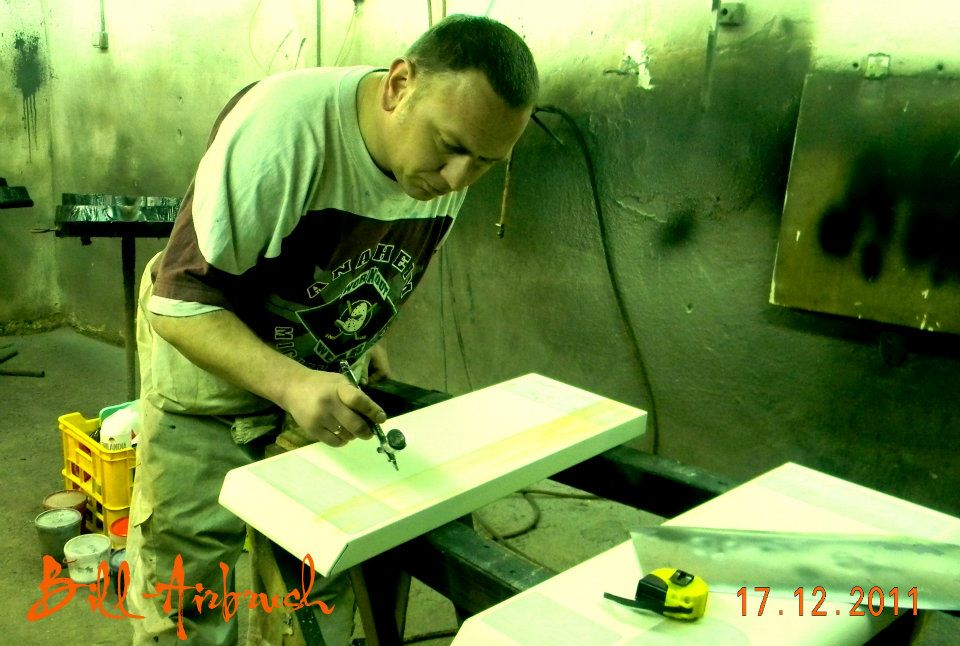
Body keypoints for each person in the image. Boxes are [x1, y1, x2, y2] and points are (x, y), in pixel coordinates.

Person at [125, 13, 539, 646]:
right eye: (450, 146)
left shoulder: (446, 160)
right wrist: (293, 384)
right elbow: (179, 304)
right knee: (189, 585)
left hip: (315, 376)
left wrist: (359, 334)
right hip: (211, 367)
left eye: (485, 163)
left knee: (316, 575)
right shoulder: (281, 134)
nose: (459, 179)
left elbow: (358, 258)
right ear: (399, 85)